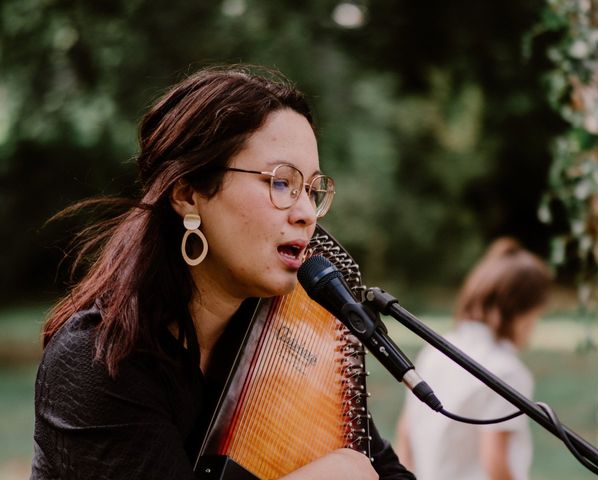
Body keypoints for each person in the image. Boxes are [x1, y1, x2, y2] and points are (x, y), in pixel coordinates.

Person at [31, 65, 415, 480]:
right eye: (282, 183)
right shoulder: (99, 359)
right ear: (188, 193)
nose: (306, 213)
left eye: (311, 189)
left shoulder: (283, 341)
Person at [395, 238, 552, 480]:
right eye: (535, 316)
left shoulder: (436, 351)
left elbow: (406, 433)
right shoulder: (507, 371)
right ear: (518, 312)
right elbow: (495, 463)